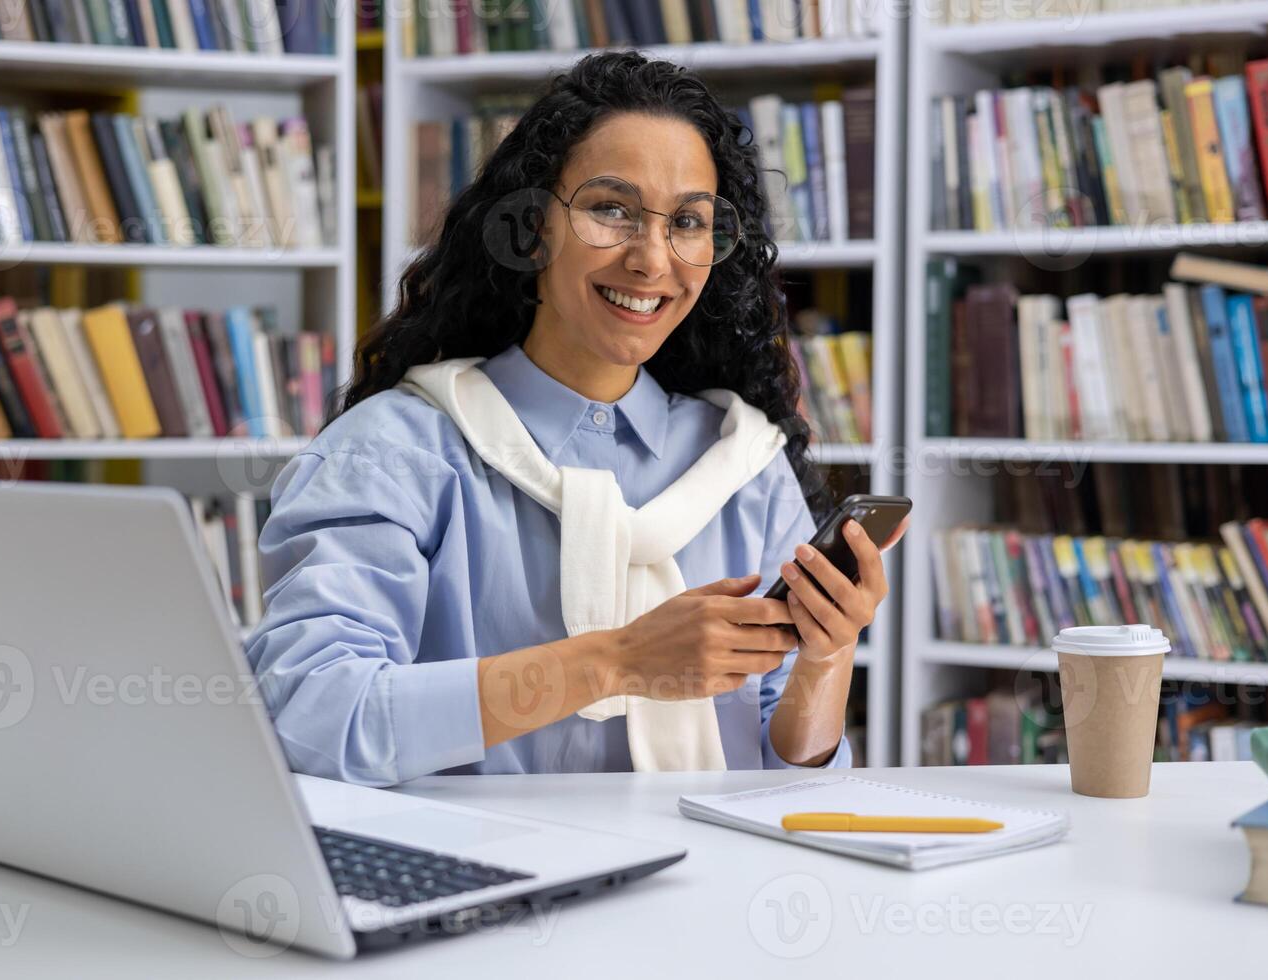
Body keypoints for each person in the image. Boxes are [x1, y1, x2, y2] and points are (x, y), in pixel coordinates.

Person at [246, 50, 905, 787]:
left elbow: (791, 773)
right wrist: (615, 661)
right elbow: (311, 716)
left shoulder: (744, 463)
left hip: (714, 887)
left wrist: (827, 653)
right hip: (484, 884)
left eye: (688, 222)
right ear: (534, 230)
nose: (652, 260)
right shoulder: (395, 450)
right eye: (611, 209)